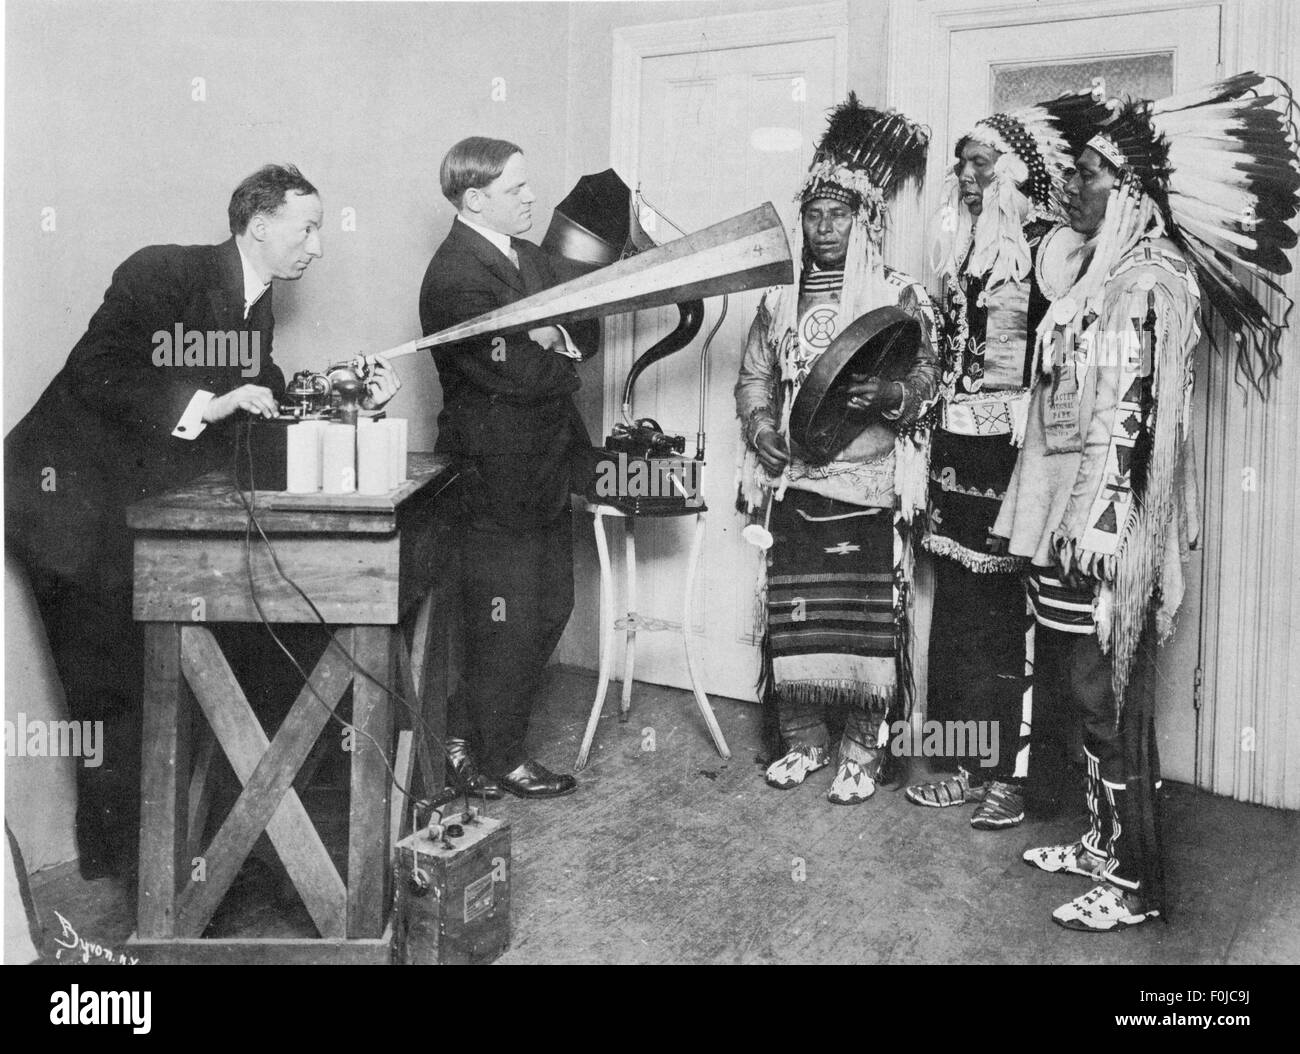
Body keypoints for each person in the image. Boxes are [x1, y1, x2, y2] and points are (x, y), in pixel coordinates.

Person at [5, 164, 401, 879]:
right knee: (113, 688)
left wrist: (341, 389)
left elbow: (258, 386)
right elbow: (98, 368)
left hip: (133, 506)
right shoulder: (163, 273)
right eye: (306, 226)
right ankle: (133, 876)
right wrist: (203, 405)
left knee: (171, 674)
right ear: (257, 223)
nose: (318, 244)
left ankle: (182, 859)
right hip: (62, 503)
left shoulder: (258, 303)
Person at [995, 75, 1299, 929]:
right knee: (1087, 692)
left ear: (1130, 193)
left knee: (1111, 700)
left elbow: (1125, 421)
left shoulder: (1147, 285)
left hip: (1109, 531)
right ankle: (1100, 845)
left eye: (1090, 174)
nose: (1074, 186)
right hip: (1074, 525)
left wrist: (1097, 529)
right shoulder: (1108, 272)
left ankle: (1135, 883)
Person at [908, 92, 1106, 829]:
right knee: (958, 603)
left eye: (980, 162)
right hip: (957, 445)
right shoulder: (957, 245)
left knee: (1020, 614)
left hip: (1026, 451)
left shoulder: (1055, 248)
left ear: (1014, 173)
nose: (965, 172)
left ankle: (1015, 776)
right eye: (961, 161)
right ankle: (957, 756)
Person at [736, 95, 940, 805]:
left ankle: (862, 751)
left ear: (865, 220)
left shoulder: (898, 294)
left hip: (869, 482)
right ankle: (805, 743)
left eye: (838, 215)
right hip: (796, 480)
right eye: (814, 215)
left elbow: (926, 380)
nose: (824, 228)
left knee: (864, 626)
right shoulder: (779, 300)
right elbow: (757, 373)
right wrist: (762, 428)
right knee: (794, 618)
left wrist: (885, 398)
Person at [418, 137, 598, 800]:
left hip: (545, 469)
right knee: (507, 620)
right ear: (474, 198)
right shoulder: (455, 277)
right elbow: (519, 374)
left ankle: (466, 739)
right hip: (494, 480)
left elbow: (585, 321)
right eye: (516, 189)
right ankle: (499, 754)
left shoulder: (524, 257)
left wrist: (552, 336)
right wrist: (554, 349)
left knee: (550, 608)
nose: (531, 197)